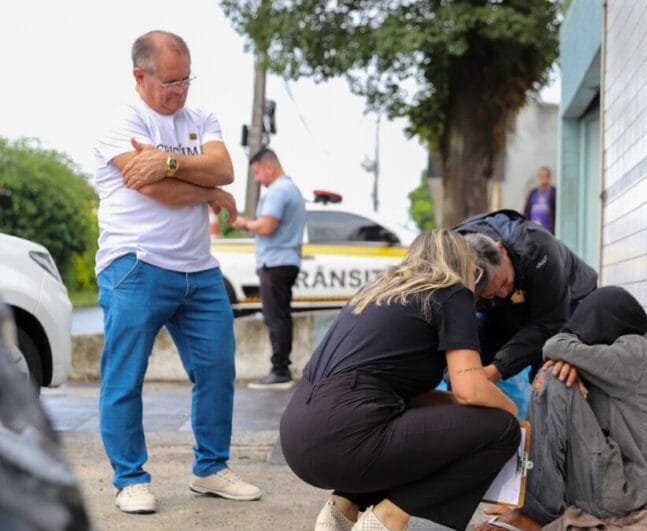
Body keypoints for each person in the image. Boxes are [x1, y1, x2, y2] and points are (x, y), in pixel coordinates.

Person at [93, 30, 261, 514]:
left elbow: (225, 168)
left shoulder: (200, 117)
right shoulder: (118, 121)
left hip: (199, 270)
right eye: (170, 82)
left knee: (217, 370)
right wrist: (205, 190)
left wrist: (167, 161)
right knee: (124, 378)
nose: (180, 91)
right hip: (135, 264)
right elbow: (155, 192)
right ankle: (130, 479)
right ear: (139, 76)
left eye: (186, 80)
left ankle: (211, 469)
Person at [279, 229, 520, 531]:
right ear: (464, 265)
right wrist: (509, 409)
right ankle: (391, 516)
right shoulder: (452, 292)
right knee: (503, 430)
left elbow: (422, 398)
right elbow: (469, 388)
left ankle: (343, 507)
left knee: (408, 421)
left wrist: (460, 410)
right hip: (347, 437)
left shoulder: (378, 292)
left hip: (299, 437)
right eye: (475, 269)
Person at [480, 286, 647, 531]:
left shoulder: (640, 353)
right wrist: (575, 365)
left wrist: (570, 358)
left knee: (554, 379)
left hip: (626, 495)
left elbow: (555, 346)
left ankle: (534, 513)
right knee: (560, 375)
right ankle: (524, 499)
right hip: (633, 487)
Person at [455, 210, 598, 386]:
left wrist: (498, 368)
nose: (503, 293)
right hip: (508, 309)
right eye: (491, 294)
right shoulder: (449, 268)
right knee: (465, 372)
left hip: (568, 302)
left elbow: (548, 324)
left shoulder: (537, 249)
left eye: (504, 283)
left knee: (551, 375)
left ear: (502, 250)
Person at [232, 148, 306, 390]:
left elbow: (266, 226)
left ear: (269, 168)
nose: (257, 179)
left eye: (257, 173)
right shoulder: (291, 189)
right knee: (280, 316)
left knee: (275, 317)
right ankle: (281, 368)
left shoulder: (278, 191)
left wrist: (243, 223)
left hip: (275, 262)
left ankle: (280, 371)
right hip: (285, 260)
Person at [523, 166, 556, 234]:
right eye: (540, 176)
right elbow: (526, 212)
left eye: (545, 176)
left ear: (549, 177)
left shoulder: (554, 193)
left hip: (549, 232)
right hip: (534, 231)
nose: (542, 178)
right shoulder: (533, 193)